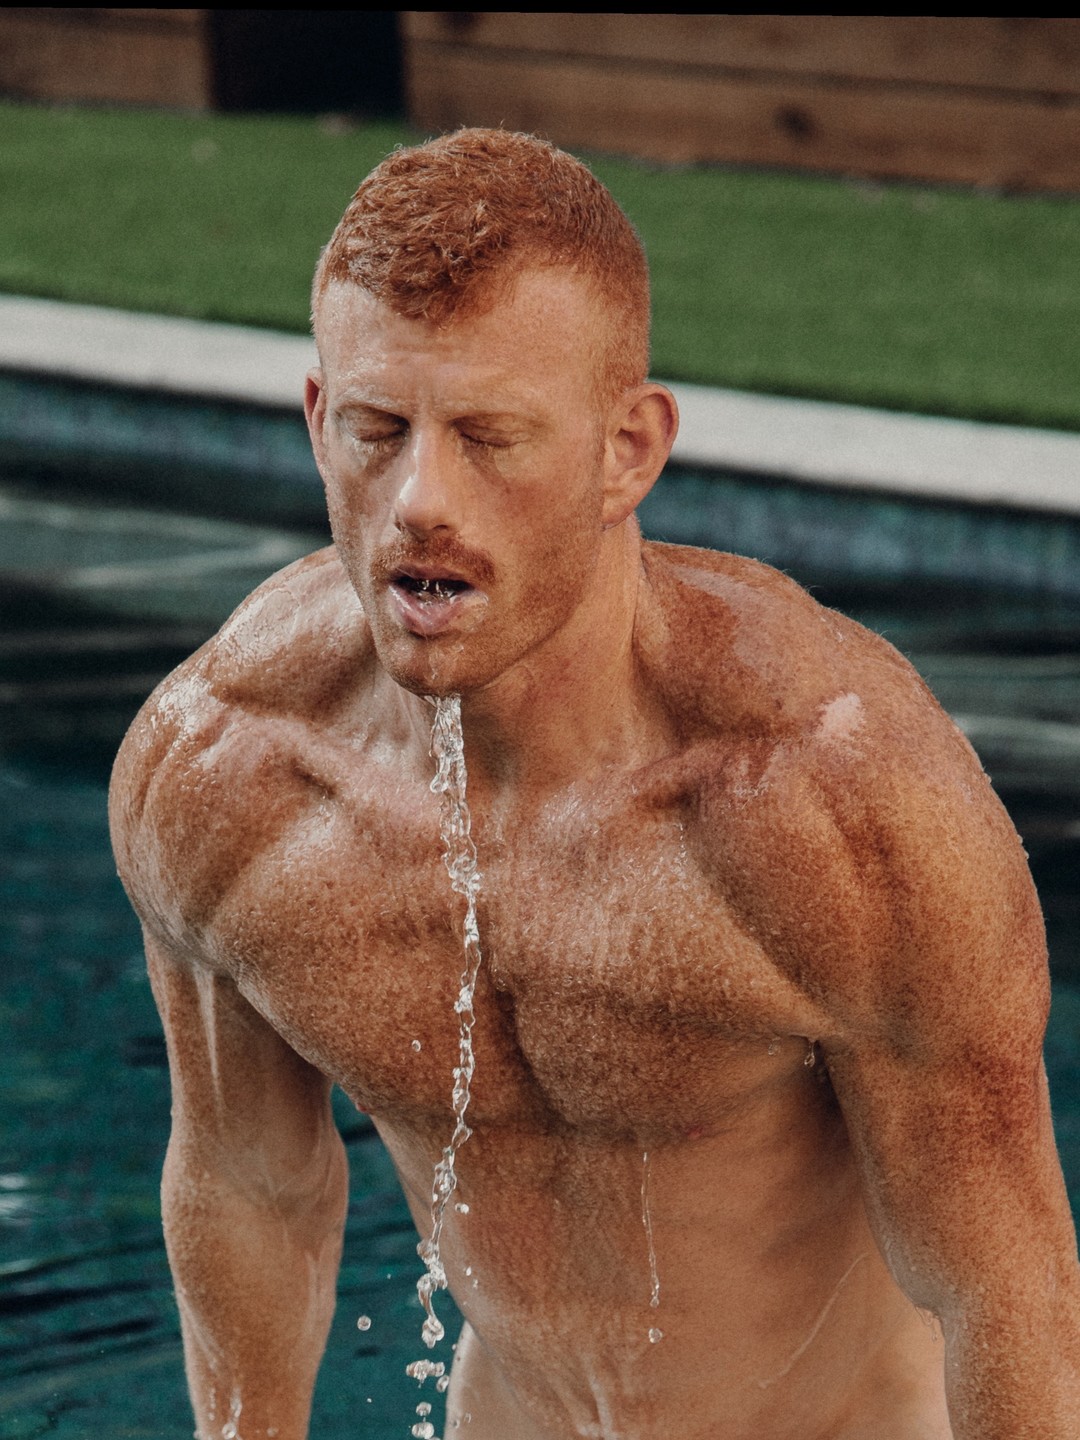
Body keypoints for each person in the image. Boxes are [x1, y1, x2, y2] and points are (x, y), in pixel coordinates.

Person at [109, 127, 1080, 1440]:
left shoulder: (830, 805)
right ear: (316, 421)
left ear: (628, 449)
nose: (419, 500)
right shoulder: (228, 770)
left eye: (490, 437)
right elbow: (246, 1190)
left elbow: (1005, 1286)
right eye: (377, 429)